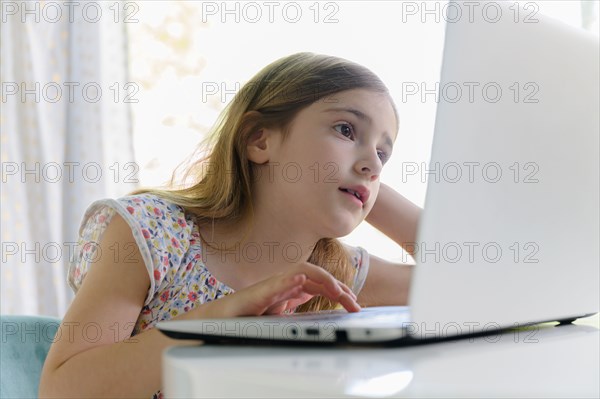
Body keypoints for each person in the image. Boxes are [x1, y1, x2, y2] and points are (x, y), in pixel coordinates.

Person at [38, 52, 422, 399]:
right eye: (346, 130)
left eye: (383, 153)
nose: (373, 161)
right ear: (259, 140)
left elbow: (470, 279)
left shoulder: (337, 273)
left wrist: (368, 188)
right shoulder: (154, 234)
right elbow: (62, 391)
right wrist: (225, 317)